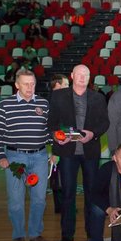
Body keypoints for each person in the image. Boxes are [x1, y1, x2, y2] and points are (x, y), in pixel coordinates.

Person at [48, 65, 110, 241]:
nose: (82, 77)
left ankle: (92, 232)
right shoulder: (59, 96)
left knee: (92, 193)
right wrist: (56, 136)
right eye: (79, 74)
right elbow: (51, 123)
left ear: (89, 77)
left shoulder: (97, 97)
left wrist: (94, 134)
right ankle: (67, 235)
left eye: (86, 74)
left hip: (90, 152)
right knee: (68, 193)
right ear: (72, 75)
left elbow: (105, 123)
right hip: (67, 152)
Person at [0, 69, 51, 241]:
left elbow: (48, 132)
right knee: (16, 200)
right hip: (15, 158)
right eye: (25, 84)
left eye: (32, 83)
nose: (29, 87)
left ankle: (34, 233)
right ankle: (18, 234)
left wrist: (55, 144)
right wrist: (1, 156)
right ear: (16, 85)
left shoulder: (44, 104)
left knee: (39, 199)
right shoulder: (5, 105)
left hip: (40, 157)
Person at [48, 74, 69, 215]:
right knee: (59, 176)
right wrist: (55, 152)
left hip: (64, 144)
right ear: (57, 86)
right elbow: (53, 129)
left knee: (62, 176)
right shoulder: (53, 103)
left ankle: (61, 206)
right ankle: (61, 207)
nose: (68, 87)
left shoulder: (62, 101)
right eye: (66, 85)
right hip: (58, 146)